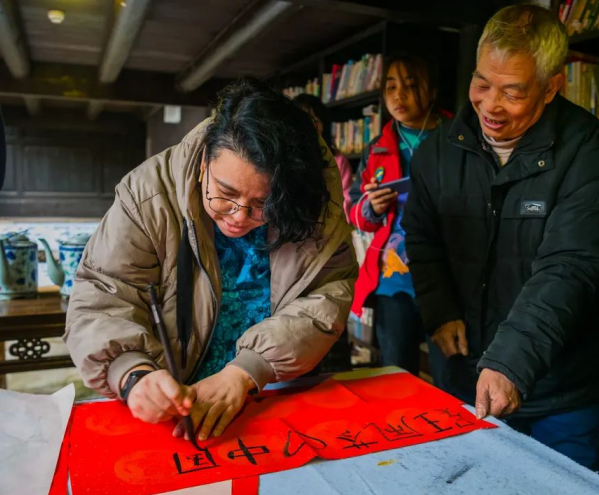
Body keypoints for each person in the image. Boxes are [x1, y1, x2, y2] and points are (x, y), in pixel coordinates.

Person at [65, 79, 357, 443]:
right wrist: (132, 371)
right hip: (175, 405)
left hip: (275, 393)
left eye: (263, 205)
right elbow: (104, 292)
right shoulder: (148, 195)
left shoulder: (314, 201)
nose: (237, 216)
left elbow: (327, 294)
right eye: (225, 194)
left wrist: (246, 372)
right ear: (204, 161)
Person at [403, 5, 599, 470]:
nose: (490, 105)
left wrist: (511, 362)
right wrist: (440, 311)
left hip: (563, 391)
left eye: (512, 92)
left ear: (552, 86)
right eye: (481, 83)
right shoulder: (436, 152)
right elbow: (422, 236)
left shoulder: (587, 150)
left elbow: (570, 265)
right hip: (465, 372)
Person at [348, 53, 451, 373]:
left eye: (410, 85)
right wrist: (371, 208)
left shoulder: (459, 136)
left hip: (450, 277)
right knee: (396, 376)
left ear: (432, 91)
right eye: (391, 87)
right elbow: (354, 211)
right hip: (393, 281)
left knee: (452, 377)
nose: (398, 95)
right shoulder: (377, 146)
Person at [294, 93, 353, 221]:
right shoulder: (283, 159)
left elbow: (346, 200)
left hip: (331, 229)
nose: (311, 126)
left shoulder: (338, 160)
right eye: (305, 120)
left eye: (316, 120)